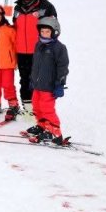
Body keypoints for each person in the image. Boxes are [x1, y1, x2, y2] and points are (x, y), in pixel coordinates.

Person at [12, 0, 58, 115]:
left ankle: (41, 110)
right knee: (24, 80)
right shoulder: (17, 8)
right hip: (21, 52)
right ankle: (28, 110)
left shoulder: (45, 6)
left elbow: (54, 30)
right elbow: (15, 29)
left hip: (40, 51)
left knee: (39, 81)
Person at [25, 17, 69, 146]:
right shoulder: (38, 44)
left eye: (47, 32)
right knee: (37, 106)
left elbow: (63, 68)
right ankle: (42, 126)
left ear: (54, 32)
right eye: (42, 31)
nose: (44, 34)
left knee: (47, 109)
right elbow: (36, 65)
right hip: (37, 85)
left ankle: (55, 132)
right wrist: (32, 79)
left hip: (49, 86)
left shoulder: (59, 48)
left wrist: (59, 84)